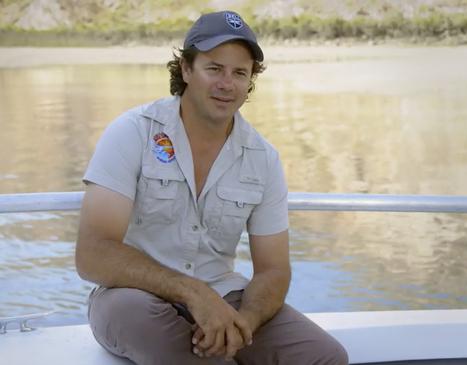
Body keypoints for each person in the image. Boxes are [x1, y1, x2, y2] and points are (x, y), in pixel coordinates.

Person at [75, 10, 348, 365]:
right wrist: (192, 292)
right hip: (133, 298)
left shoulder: (262, 158)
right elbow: (93, 252)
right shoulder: (134, 132)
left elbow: (273, 270)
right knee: (164, 337)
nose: (227, 83)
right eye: (214, 68)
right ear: (186, 70)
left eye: (240, 73)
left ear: (250, 82)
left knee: (325, 357)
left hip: (225, 298)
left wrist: (243, 324)